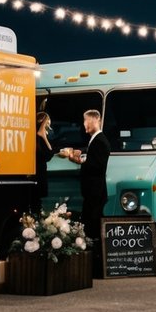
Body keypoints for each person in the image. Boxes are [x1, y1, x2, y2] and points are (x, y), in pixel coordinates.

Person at [61, 109, 110, 272]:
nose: (84, 125)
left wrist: (78, 161)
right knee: (90, 226)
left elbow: (98, 166)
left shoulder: (101, 141)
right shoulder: (95, 141)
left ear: (96, 119)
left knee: (93, 229)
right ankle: (94, 263)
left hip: (95, 193)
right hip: (93, 193)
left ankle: (96, 265)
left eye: (86, 121)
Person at [33, 111, 55, 213]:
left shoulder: (35, 137)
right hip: (38, 174)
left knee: (36, 202)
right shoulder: (40, 138)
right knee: (36, 204)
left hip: (35, 174)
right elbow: (48, 155)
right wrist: (44, 137)